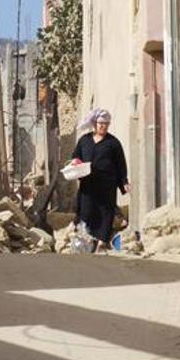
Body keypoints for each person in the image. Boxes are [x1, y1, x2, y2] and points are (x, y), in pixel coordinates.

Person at [71, 108, 129, 252]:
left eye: (106, 124)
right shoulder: (84, 140)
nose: (103, 126)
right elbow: (76, 157)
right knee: (86, 210)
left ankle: (103, 242)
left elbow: (121, 164)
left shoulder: (113, 143)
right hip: (88, 185)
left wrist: (124, 182)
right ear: (94, 124)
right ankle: (87, 239)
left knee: (105, 212)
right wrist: (75, 164)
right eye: (101, 123)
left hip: (107, 185)